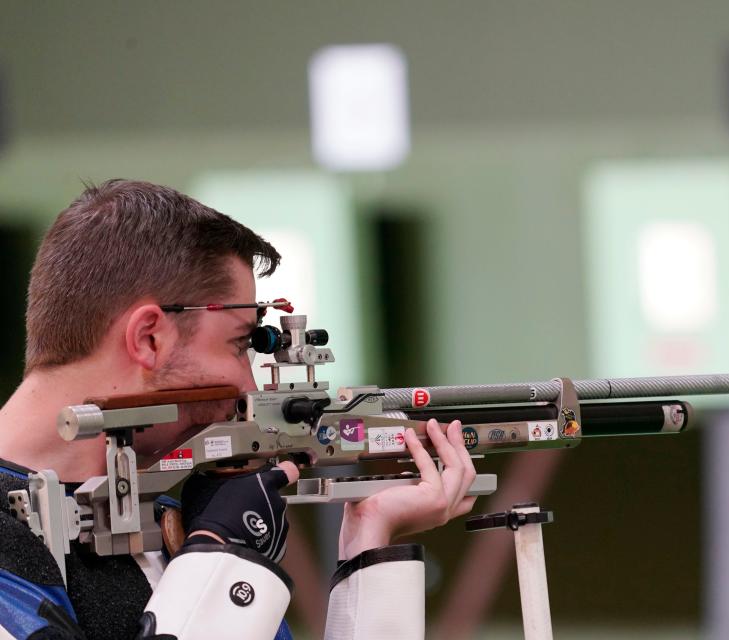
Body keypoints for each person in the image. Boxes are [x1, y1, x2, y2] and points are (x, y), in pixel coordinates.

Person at [0, 179, 477, 639]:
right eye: (238, 344)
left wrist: (368, 541)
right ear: (149, 337)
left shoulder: (167, 531)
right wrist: (220, 555)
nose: (248, 385)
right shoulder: (203, 546)